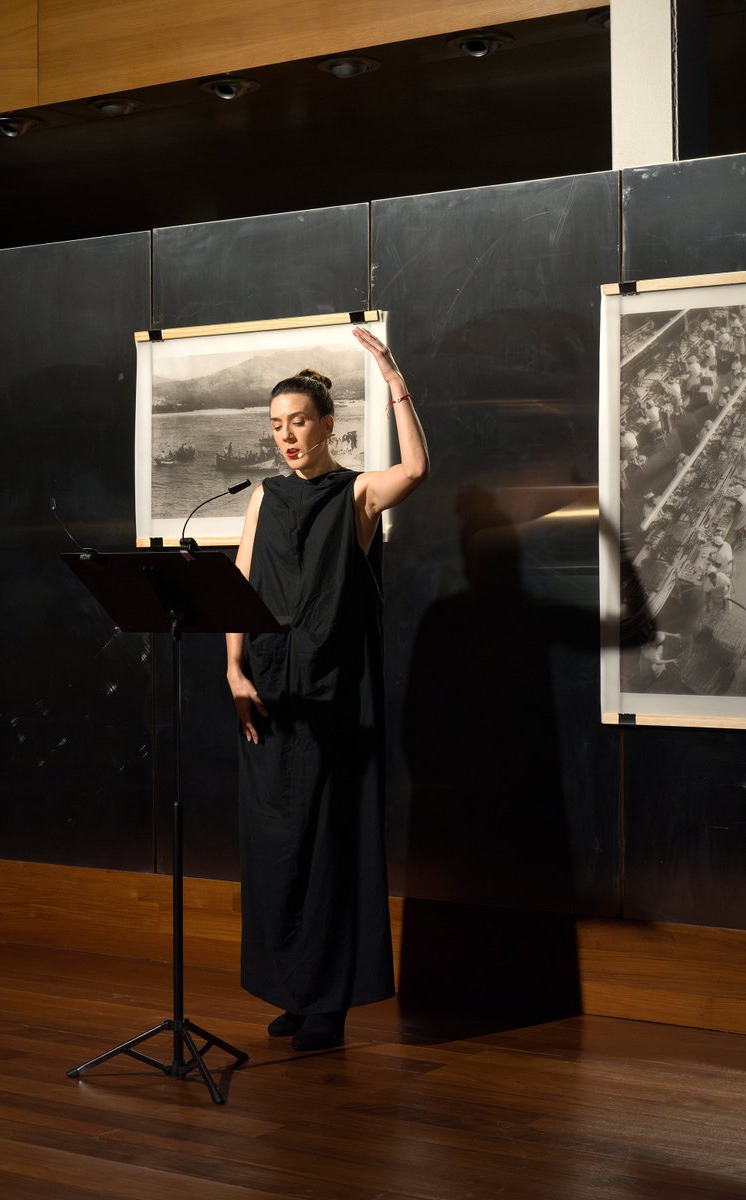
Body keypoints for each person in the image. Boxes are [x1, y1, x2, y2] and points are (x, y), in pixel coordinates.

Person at [226, 328, 429, 1053]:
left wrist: (392, 372)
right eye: (276, 425)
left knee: (330, 845)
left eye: (299, 421)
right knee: (277, 842)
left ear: (327, 425)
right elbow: (241, 586)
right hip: (272, 691)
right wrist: (233, 670)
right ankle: (293, 989)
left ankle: (330, 1004)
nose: (286, 435)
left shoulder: (359, 494)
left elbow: (418, 466)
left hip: (336, 694)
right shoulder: (262, 500)